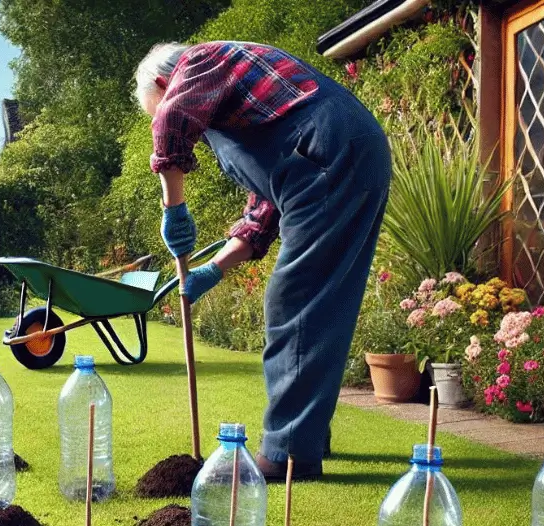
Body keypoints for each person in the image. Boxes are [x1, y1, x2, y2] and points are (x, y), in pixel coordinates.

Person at [135, 41, 390, 481]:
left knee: (294, 300)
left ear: (166, 84)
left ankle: (289, 454)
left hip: (330, 157)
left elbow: (172, 123)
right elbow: (263, 211)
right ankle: (307, 437)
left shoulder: (201, 61)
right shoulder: (246, 109)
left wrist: (173, 209)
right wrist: (213, 270)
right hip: (342, 156)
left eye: (161, 102)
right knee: (322, 304)